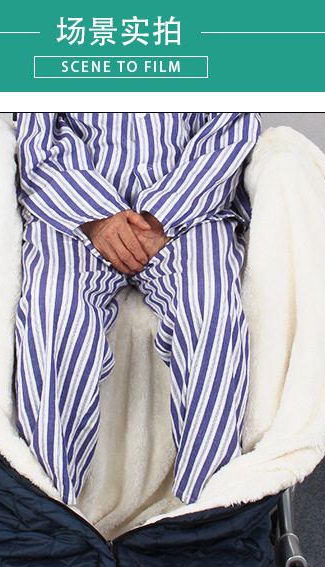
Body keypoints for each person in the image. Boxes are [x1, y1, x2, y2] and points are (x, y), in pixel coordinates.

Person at [14, 112, 261, 505]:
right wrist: (95, 216)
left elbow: (230, 130)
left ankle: (208, 512)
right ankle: (44, 511)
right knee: (53, 315)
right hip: (73, 212)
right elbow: (38, 140)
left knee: (210, 310)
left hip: (190, 209)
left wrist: (161, 216)